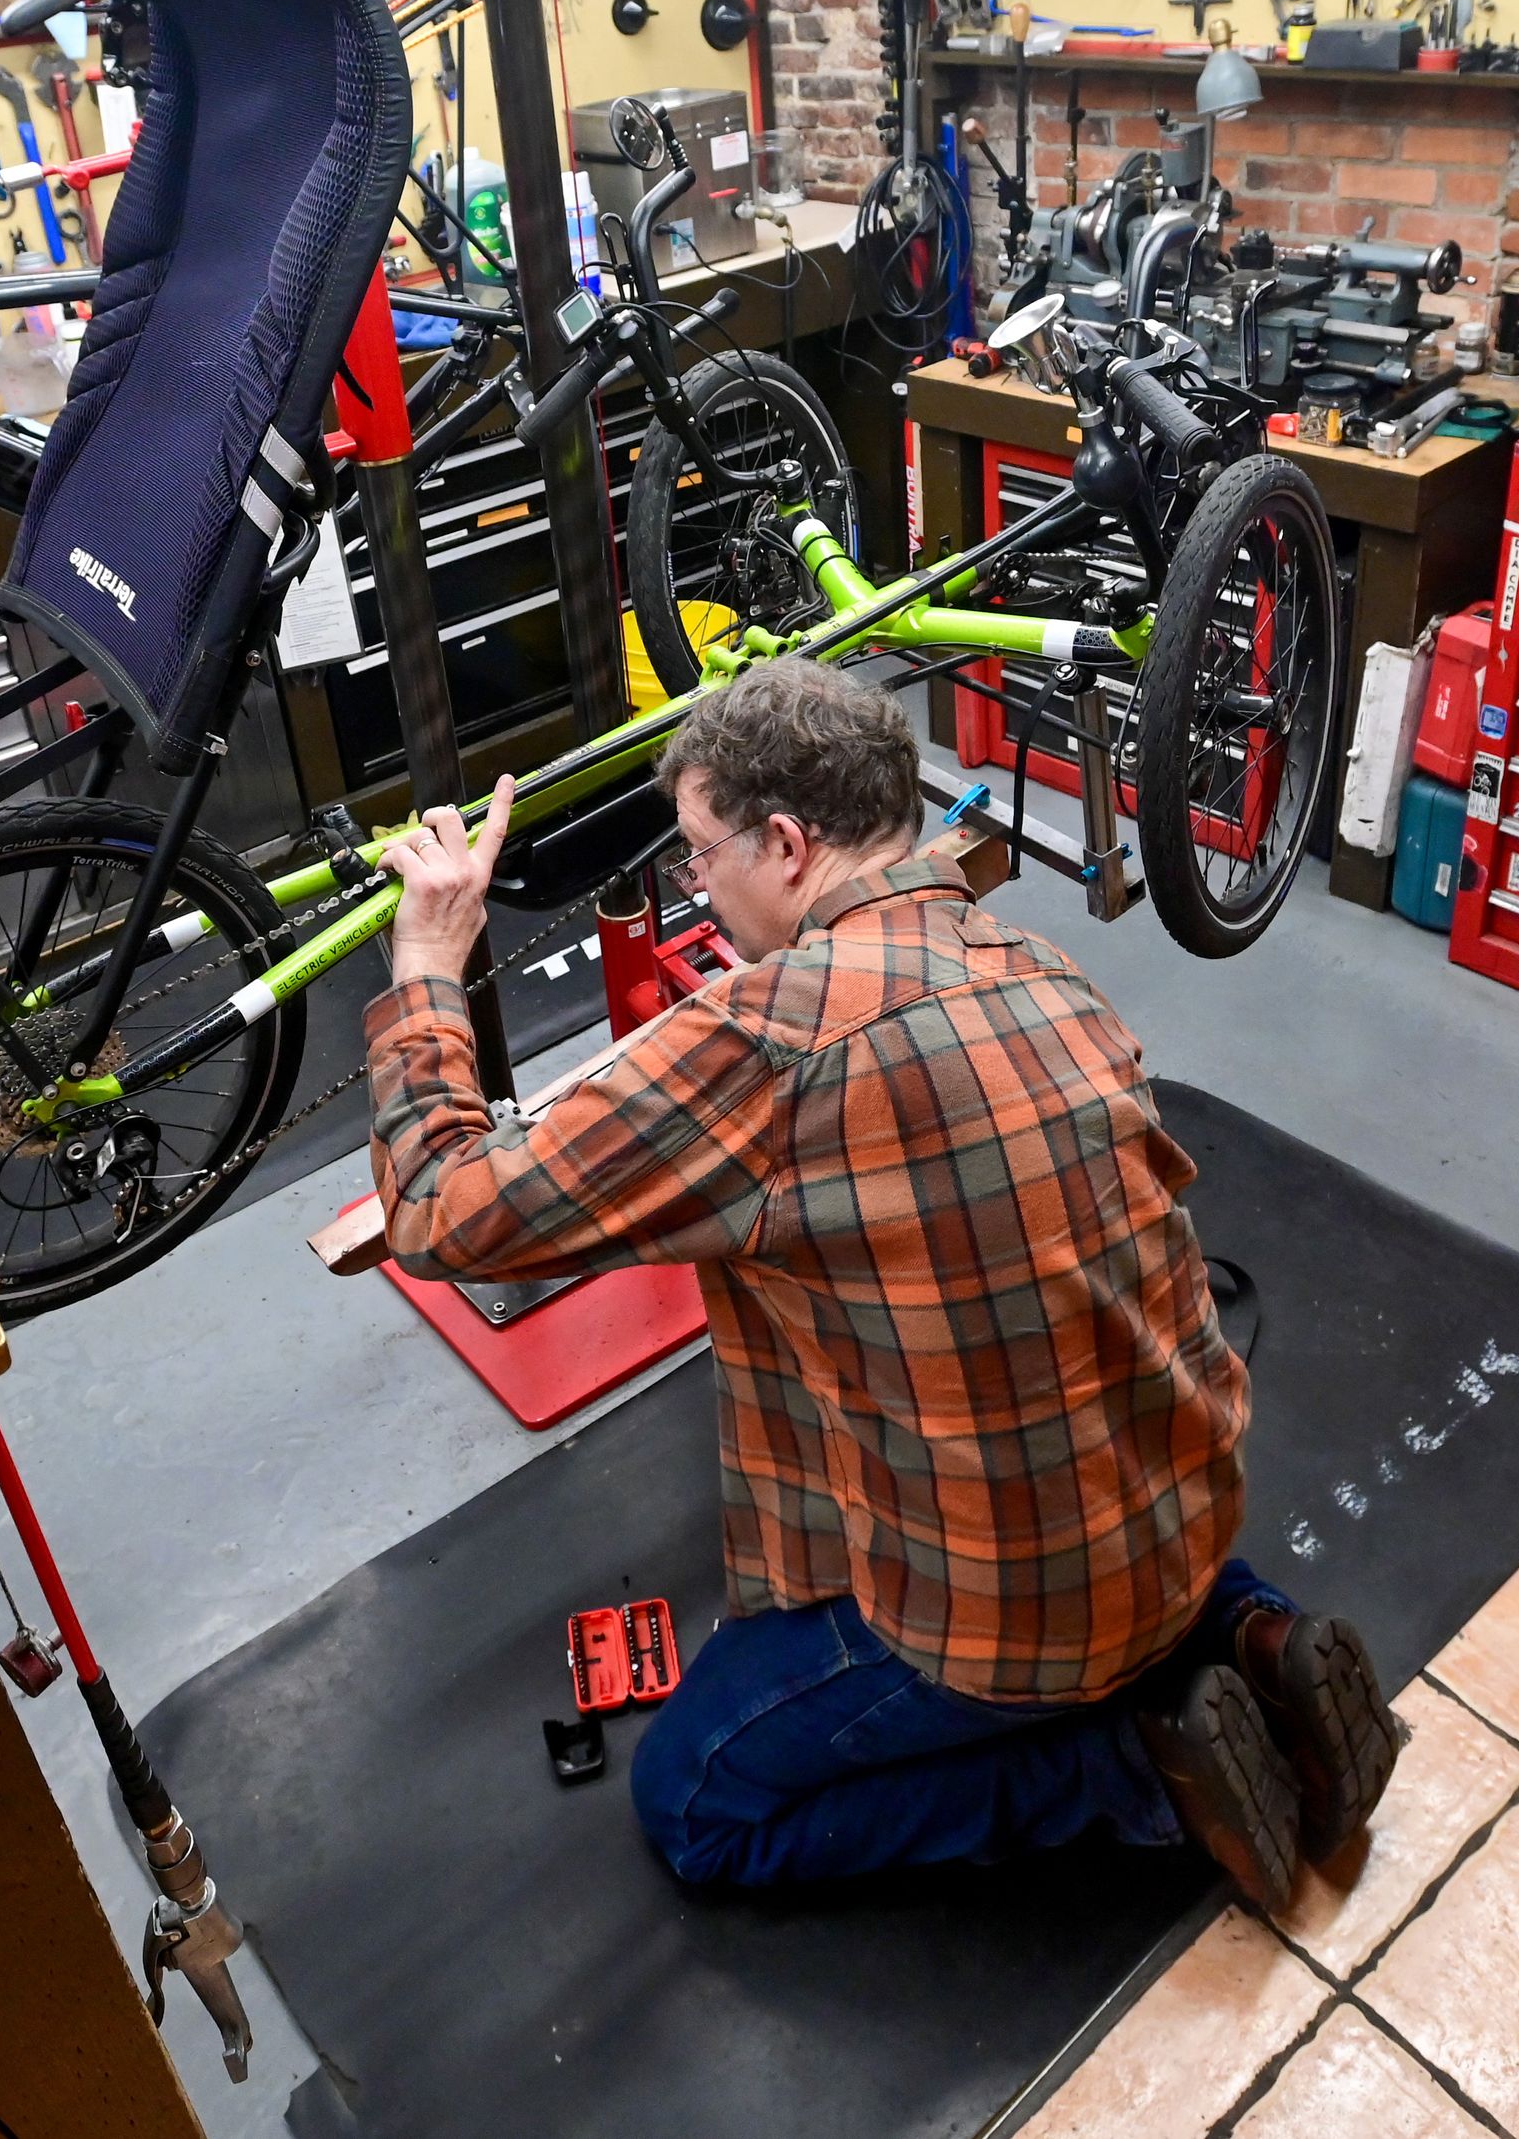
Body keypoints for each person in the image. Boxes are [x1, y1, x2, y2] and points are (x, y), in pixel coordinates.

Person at [365, 658, 1396, 1908]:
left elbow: (439, 1212)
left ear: (787, 843)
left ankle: (1132, 1769)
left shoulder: (767, 1033)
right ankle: (1253, 1634)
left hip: (1017, 1614)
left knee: (697, 1801)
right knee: (1049, 1423)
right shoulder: (1036, 961)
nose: (695, 882)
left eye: (700, 852)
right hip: (1192, 1507)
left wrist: (427, 965)